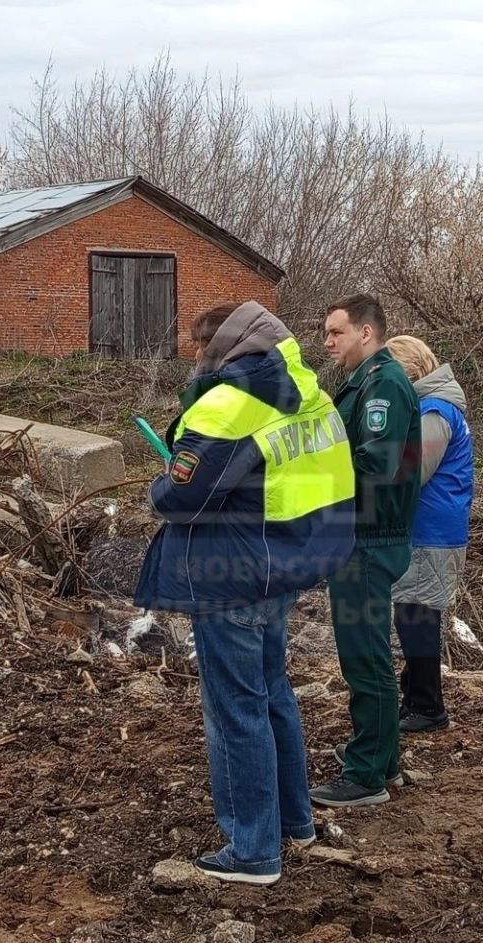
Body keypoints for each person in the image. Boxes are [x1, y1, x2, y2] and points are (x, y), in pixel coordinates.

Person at [134, 300, 355, 885]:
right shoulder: (313, 394)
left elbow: (181, 496)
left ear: (219, 350)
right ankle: (293, 820)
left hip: (233, 572)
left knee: (235, 709)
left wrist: (161, 481)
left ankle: (252, 849)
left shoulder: (230, 404)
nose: (195, 359)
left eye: (198, 349)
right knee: (271, 692)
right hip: (285, 564)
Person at [310, 294, 422, 808]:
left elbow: (375, 468)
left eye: (336, 333)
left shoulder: (383, 387)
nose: (327, 343)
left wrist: (312, 474)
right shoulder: (366, 382)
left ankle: (367, 775)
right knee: (365, 653)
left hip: (368, 540)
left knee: (365, 657)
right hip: (361, 535)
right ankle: (383, 756)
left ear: (366, 333)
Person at [386, 335, 474, 733]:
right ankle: (416, 695)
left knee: (416, 614)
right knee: (414, 612)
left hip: (430, 530)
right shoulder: (438, 405)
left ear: (410, 373)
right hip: (434, 528)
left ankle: (427, 706)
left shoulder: (434, 410)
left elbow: (412, 473)